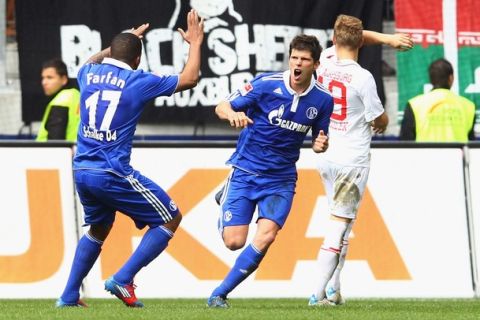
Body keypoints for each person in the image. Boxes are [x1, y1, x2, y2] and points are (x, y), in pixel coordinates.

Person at [55, 9, 204, 308]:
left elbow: (91, 61)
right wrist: (196, 42)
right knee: (170, 217)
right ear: (137, 59)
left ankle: (69, 295)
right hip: (111, 172)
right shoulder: (137, 81)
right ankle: (123, 279)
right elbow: (190, 78)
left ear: (112, 52)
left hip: (82, 169)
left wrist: (121, 42)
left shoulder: (88, 74)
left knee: (98, 228)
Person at [207, 34, 334, 308]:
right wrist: (232, 115)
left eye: (304, 60)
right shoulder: (266, 84)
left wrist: (321, 145)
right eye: (294, 58)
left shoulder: (323, 100)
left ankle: (219, 294)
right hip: (246, 170)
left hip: (281, 179)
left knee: (266, 237)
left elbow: (319, 141)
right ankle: (226, 191)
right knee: (234, 242)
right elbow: (221, 106)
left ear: (316, 65)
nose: (297, 64)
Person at [308, 14, 389, 306]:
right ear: (361, 43)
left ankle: (334, 289)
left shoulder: (325, 61)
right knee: (339, 225)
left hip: (326, 154)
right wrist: (383, 121)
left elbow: (352, 37)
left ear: (334, 38)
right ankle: (316, 294)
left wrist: (387, 38)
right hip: (352, 159)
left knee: (343, 224)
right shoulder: (363, 77)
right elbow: (378, 118)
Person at [399, 58, 476, 142]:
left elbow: (405, 143)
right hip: (458, 155)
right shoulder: (468, 106)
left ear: (430, 79)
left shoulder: (414, 105)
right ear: (451, 78)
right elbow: (471, 145)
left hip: (424, 155)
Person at [36, 59, 80, 142]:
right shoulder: (77, 95)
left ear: (63, 79)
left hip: (55, 153)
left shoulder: (61, 101)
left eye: (50, 78)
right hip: (78, 151)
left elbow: (55, 143)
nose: (44, 82)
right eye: (43, 78)